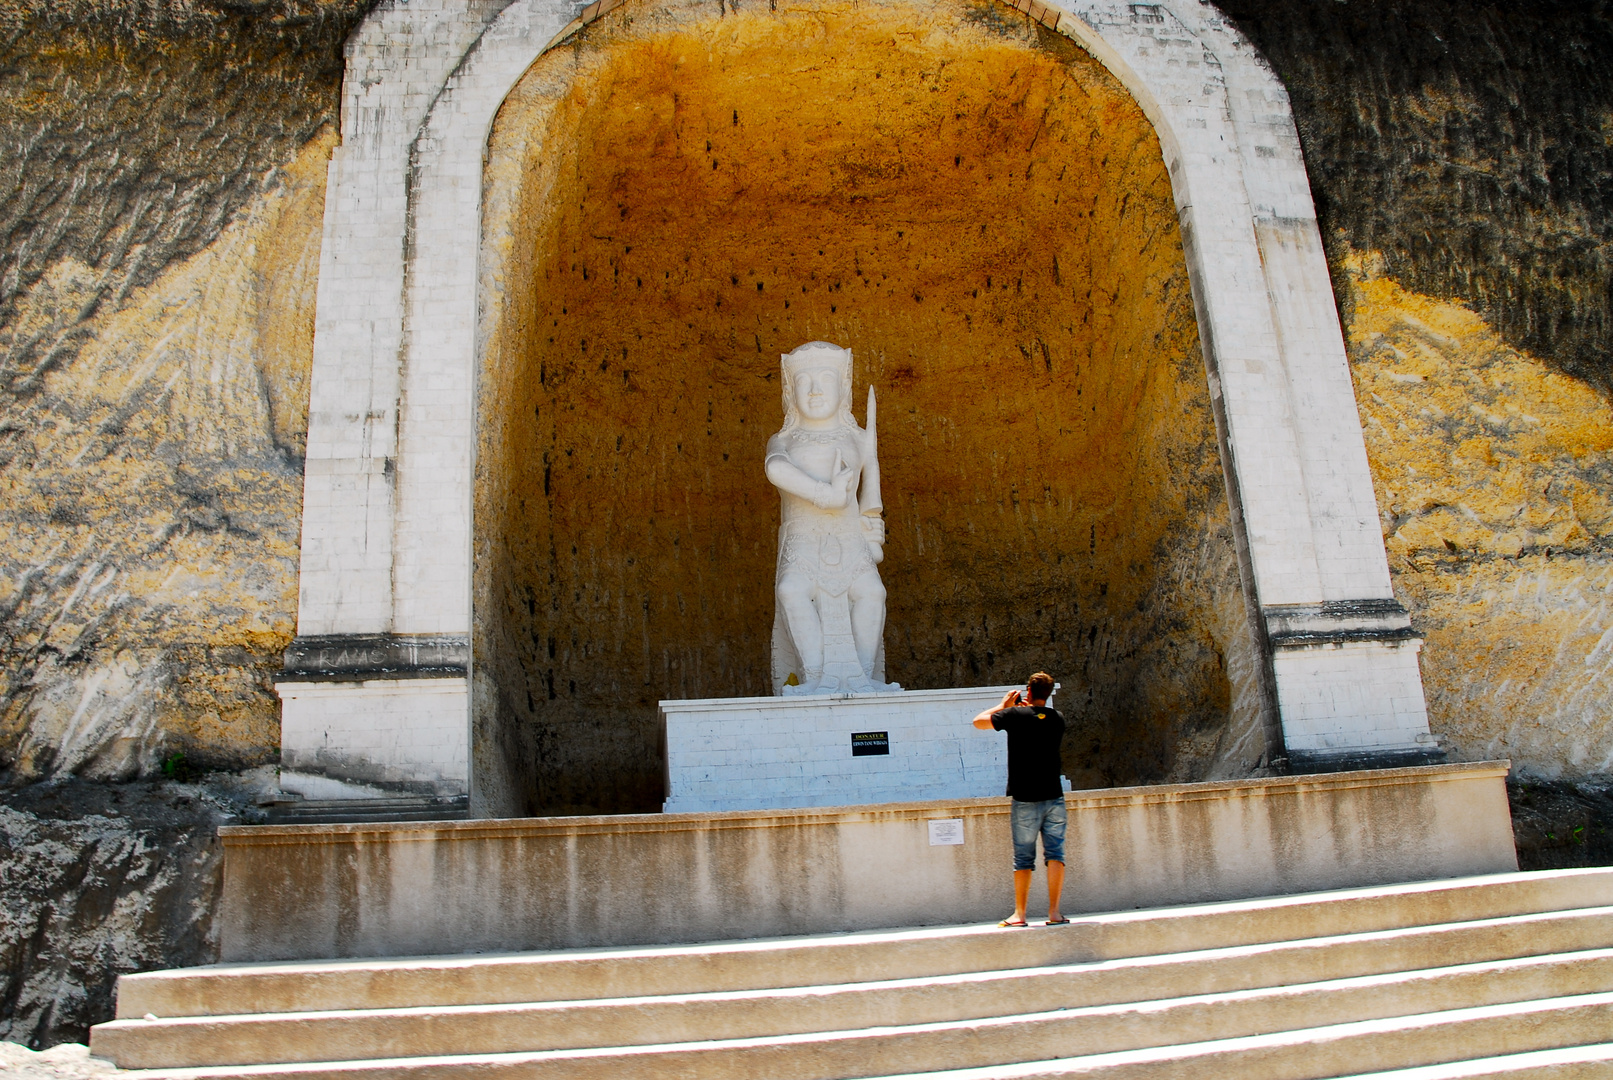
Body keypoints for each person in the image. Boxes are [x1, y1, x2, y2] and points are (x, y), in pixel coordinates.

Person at [973, 672, 1068, 927]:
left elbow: (978, 722)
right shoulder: (1057, 719)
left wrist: (1004, 706)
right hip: (1054, 796)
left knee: (1024, 858)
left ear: (1028, 690)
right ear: (1047, 693)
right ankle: (1055, 913)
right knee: (1056, 854)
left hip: (1025, 797)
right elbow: (1038, 718)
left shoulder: (1014, 716)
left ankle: (1020, 914)